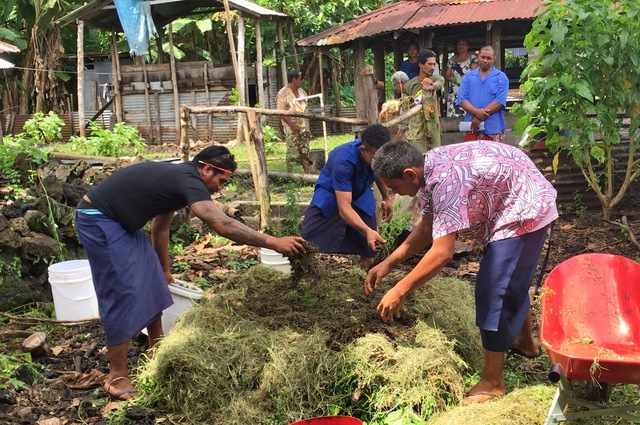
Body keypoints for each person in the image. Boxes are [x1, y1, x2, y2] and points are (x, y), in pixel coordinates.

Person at [75, 146, 305, 400]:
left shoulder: (179, 181)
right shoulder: (188, 179)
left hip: (121, 223)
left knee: (154, 283)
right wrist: (273, 242)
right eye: (221, 180)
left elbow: (160, 228)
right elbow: (221, 224)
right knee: (120, 291)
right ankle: (116, 376)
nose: (220, 188)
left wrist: (163, 269)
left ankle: (156, 351)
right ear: (206, 169)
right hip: (98, 218)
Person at [366, 140, 558, 404]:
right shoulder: (427, 170)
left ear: (409, 173)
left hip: (525, 206)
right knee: (510, 279)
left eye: (396, 188)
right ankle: (525, 344)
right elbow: (428, 228)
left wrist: (400, 289)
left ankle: (493, 382)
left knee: (493, 289)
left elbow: (442, 252)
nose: (398, 194)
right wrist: (387, 264)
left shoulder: (445, 180)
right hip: (509, 197)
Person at [301, 124, 393, 268]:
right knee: (309, 237)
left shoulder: (376, 157)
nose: (381, 161)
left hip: (360, 192)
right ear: (363, 150)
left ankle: (365, 276)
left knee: (370, 247)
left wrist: (386, 198)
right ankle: (307, 272)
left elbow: (378, 172)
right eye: (377, 157)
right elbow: (344, 208)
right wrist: (367, 230)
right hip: (331, 193)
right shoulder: (343, 160)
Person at [457, 46, 508, 142]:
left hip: (493, 128)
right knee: (472, 156)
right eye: (483, 57)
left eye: (489, 58)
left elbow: (499, 101)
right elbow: (462, 99)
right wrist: (476, 113)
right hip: (472, 127)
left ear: (494, 59)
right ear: (478, 57)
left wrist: (479, 117)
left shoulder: (501, 77)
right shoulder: (468, 77)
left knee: (492, 157)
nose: (485, 60)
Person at [404, 50, 445, 152]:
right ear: (421, 64)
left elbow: (439, 84)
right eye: (429, 64)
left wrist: (432, 85)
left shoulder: (437, 78)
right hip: (416, 131)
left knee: (434, 158)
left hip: (433, 127)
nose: (432, 67)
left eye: (434, 64)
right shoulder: (410, 84)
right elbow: (407, 106)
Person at [276, 69, 311, 173]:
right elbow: (281, 112)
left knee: (305, 150)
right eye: (300, 79)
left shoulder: (302, 92)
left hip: (303, 126)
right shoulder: (283, 93)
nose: (301, 81)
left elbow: (305, 106)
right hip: (290, 127)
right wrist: (291, 124)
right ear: (294, 80)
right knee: (292, 150)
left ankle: (307, 173)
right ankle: (289, 174)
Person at [445, 37, 478, 117]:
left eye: (463, 44)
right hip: (454, 90)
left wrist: (464, 80)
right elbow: (447, 75)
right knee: (453, 112)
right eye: (459, 44)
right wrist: (452, 78)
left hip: (468, 88)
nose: (461, 46)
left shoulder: (473, 58)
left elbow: (475, 75)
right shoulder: (451, 60)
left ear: (467, 46)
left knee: (467, 111)